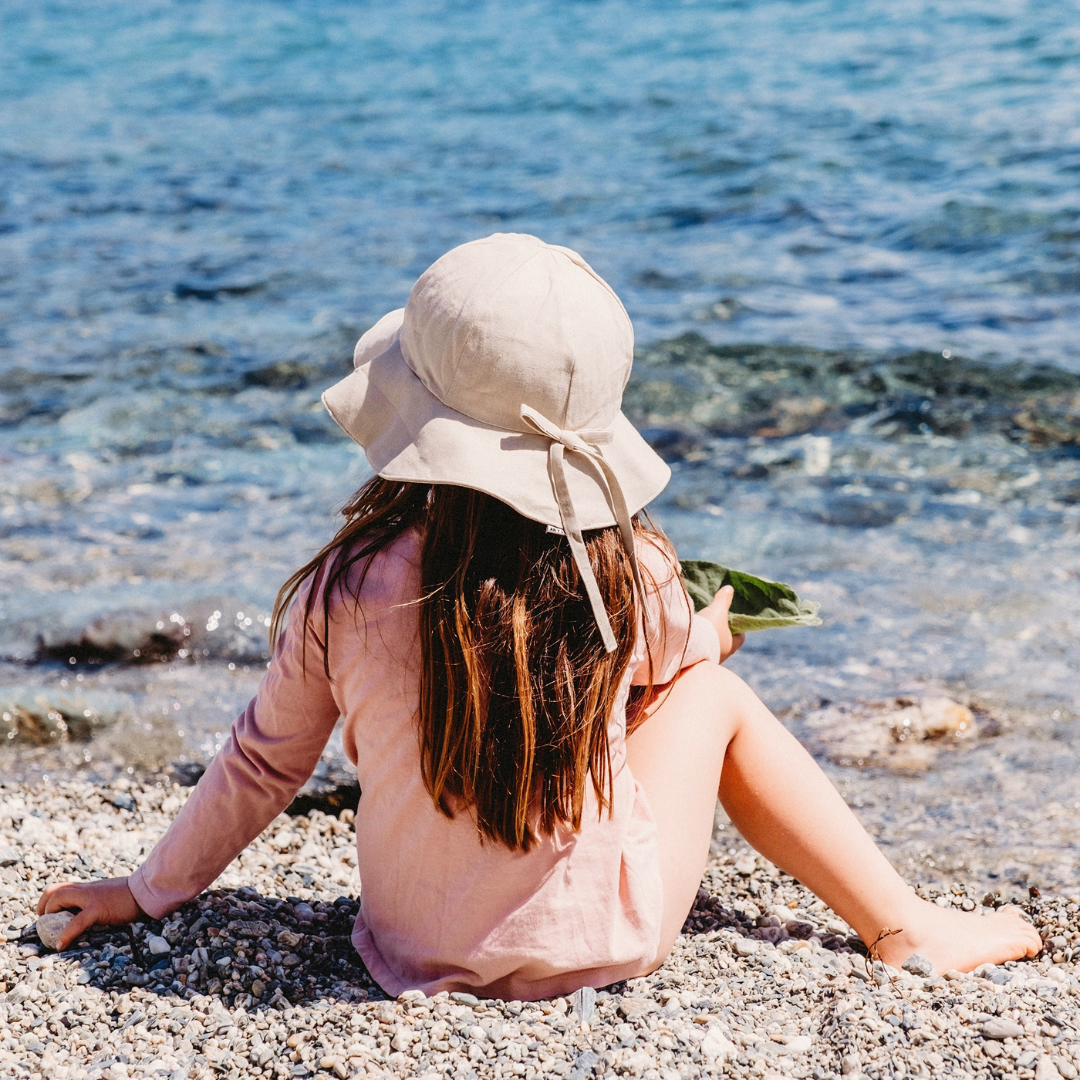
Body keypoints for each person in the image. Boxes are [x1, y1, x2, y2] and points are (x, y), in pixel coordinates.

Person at [38, 234, 1040, 999]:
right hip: (613, 941)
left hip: (408, 946)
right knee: (712, 694)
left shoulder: (345, 591)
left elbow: (264, 762)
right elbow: (651, 669)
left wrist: (147, 890)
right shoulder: (626, 568)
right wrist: (706, 634)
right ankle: (901, 924)